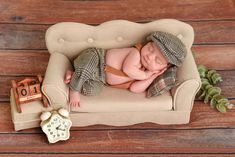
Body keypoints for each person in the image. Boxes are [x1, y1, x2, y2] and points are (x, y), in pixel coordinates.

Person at [64, 31, 187, 108]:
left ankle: (75, 75)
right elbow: (128, 69)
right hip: (97, 58)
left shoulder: (144, 72)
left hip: (100, 78)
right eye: (150, 49)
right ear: (148, 43)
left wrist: (152, 76)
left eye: (157, 61)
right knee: (87, 68)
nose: (150, 56)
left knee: (92, 90)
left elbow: (135, 89)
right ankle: (74, 89)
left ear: (163, 68)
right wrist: (145, 75)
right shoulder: (135, 53)